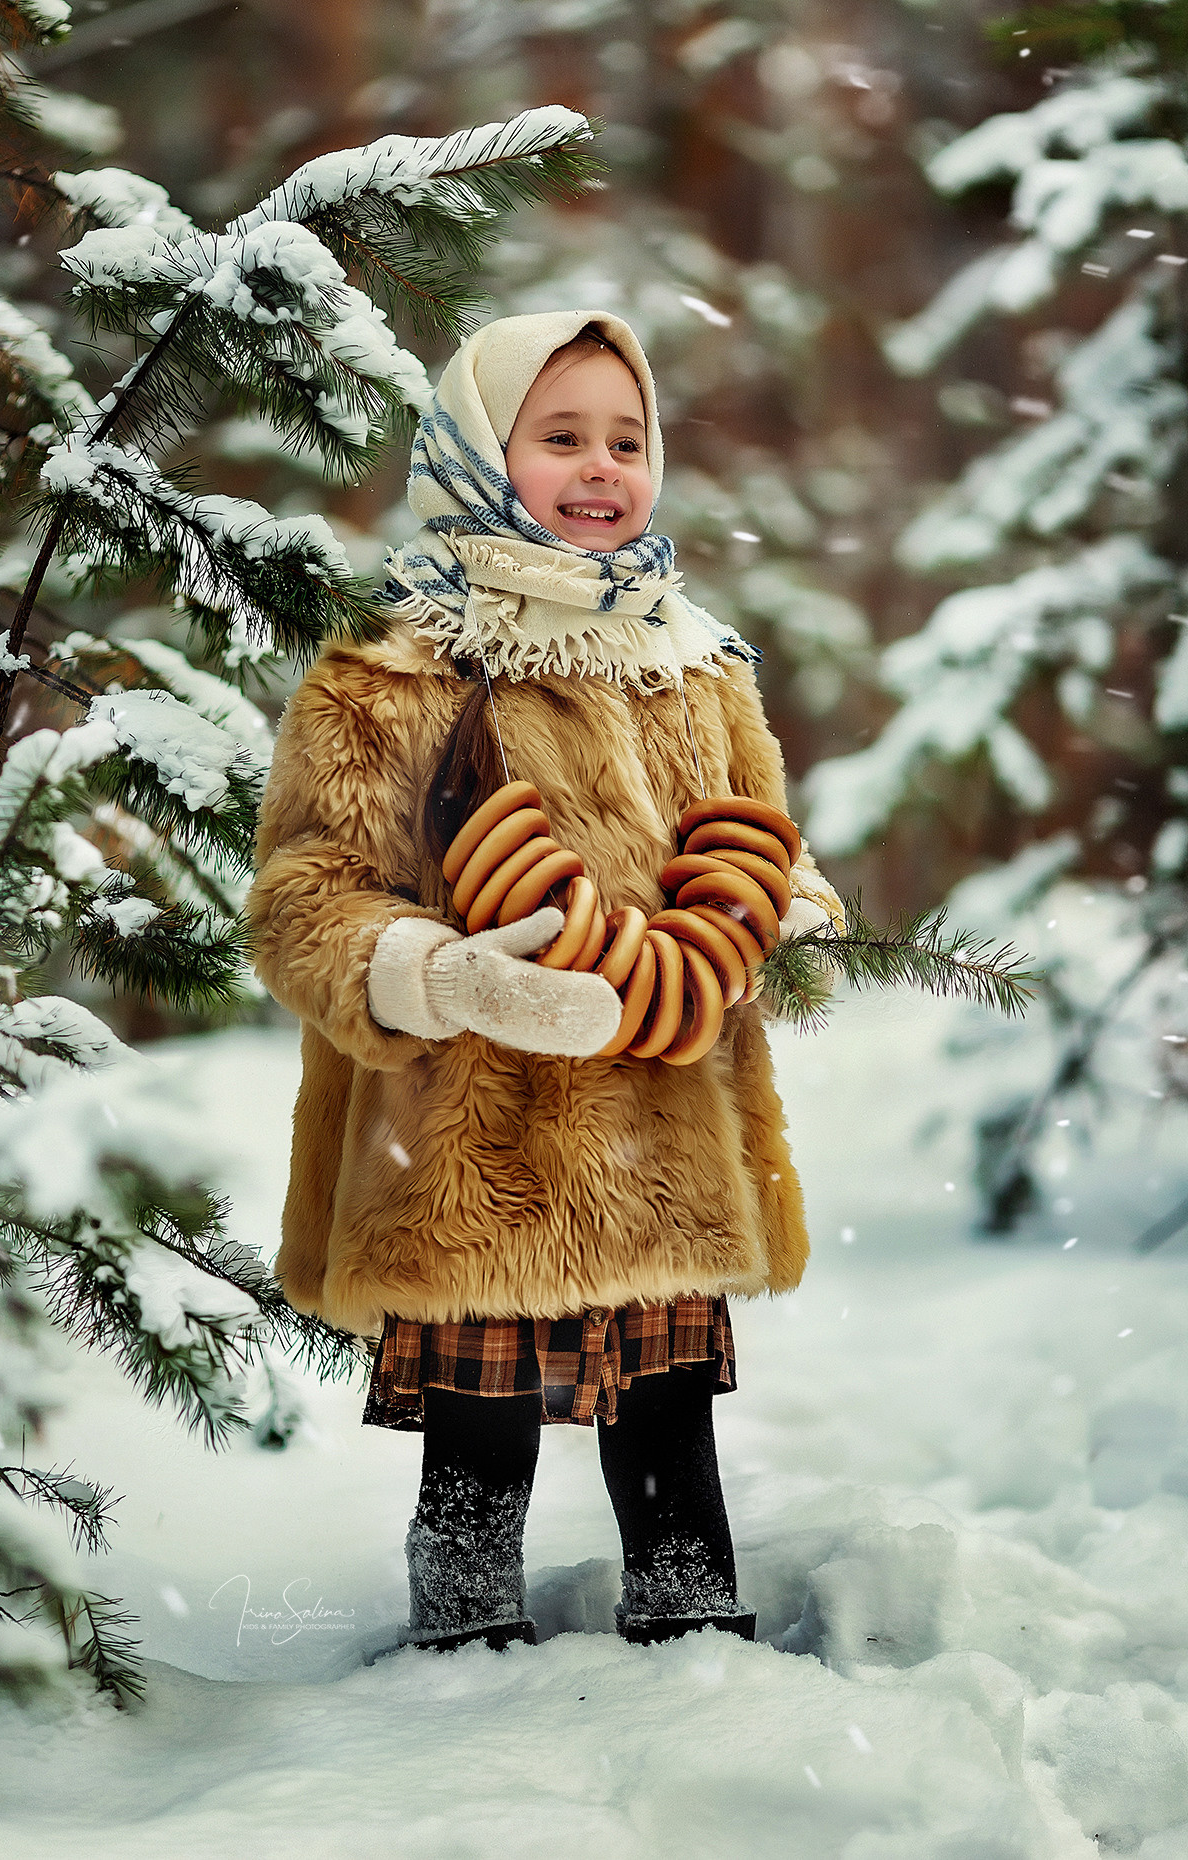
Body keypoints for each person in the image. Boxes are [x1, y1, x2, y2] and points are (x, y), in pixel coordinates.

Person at [247, 310, 844, 1653]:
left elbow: (746, 829)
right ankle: (463, 1649)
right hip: (472, 1131)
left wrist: (784, 901)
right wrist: (429, 973)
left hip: (661, 1118)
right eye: (559, 436)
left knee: (668, 1407)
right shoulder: (392, 672)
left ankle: (695, 1637)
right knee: (481, 1419)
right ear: (475, 448)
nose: (601, 467)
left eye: (626, 440)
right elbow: (304, 898)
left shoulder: (692, 663)